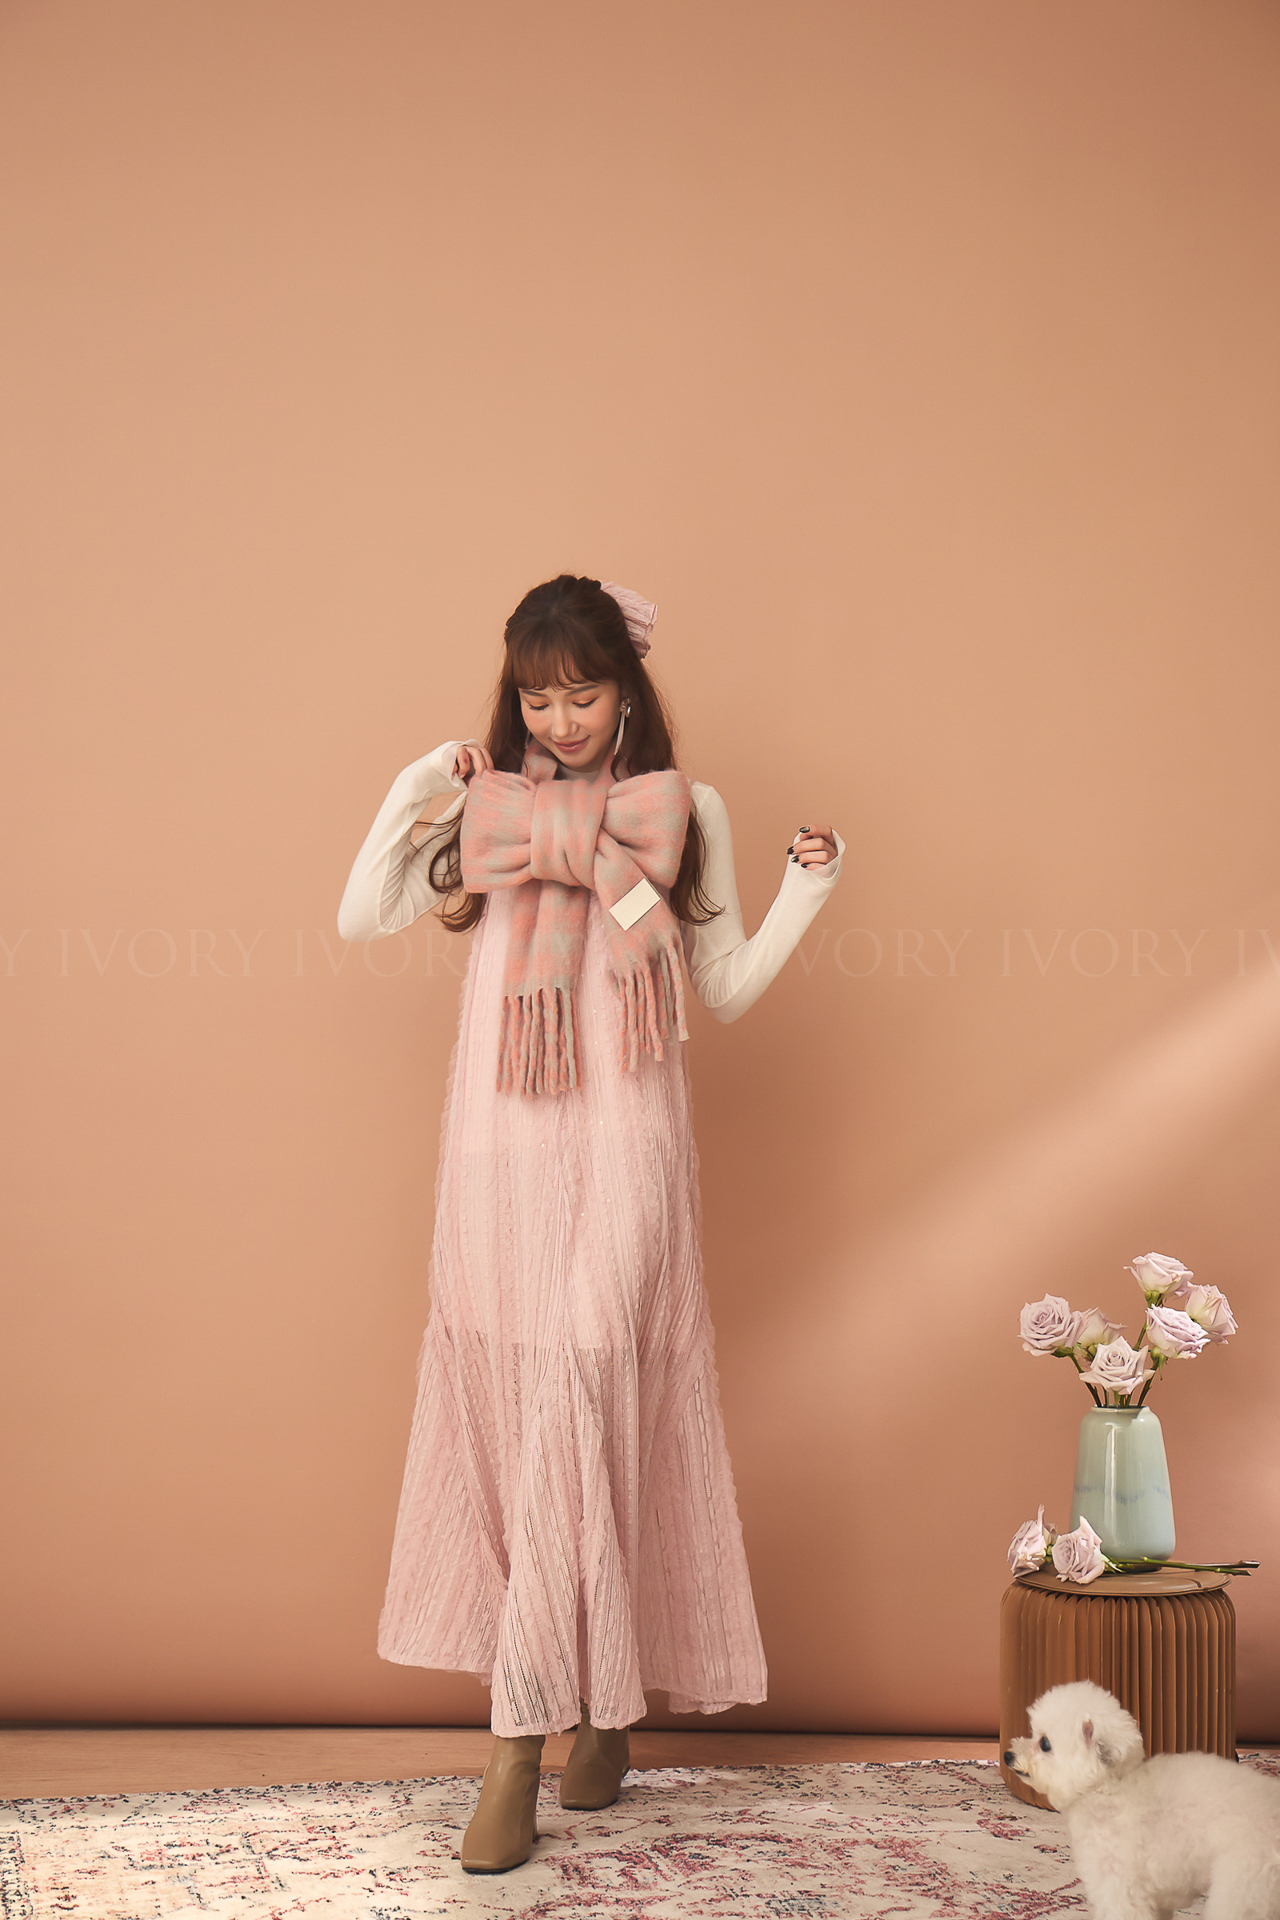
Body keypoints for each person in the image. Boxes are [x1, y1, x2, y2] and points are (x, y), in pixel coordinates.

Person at [337, 575, 843, 1873]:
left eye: (583, 694)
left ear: (628, 691)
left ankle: (517, 1748)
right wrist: (416, 786)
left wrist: (808, 890)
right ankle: (605, 1709)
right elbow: (361, 913)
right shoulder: (486, 808)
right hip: (501, 1154)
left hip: (629, 1149)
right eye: (537, 698)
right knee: (528, 1418)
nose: (559, 721)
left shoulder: (683, 810)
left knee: (582, 1397)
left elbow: (724, 985)